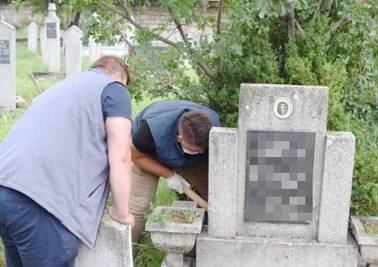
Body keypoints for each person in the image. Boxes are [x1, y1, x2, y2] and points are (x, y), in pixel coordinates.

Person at [0, 55, 134, 267]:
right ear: (118, 75)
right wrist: (122, 212)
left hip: (6, 186)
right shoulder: (114, 88)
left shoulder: (64, 86)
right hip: (40, 200)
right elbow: (121, 156)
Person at [130, 100, 220, 241]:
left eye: (202, 150)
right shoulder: (148, 132)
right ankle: (127, 250)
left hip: (191, 162)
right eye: (194, 149)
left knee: (216, 197)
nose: (200, 151)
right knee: (137, 207)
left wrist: (197, 153)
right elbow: (135, 155)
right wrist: (169, 174)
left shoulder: (213, 127)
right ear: (180, 138)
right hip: (147, 156)